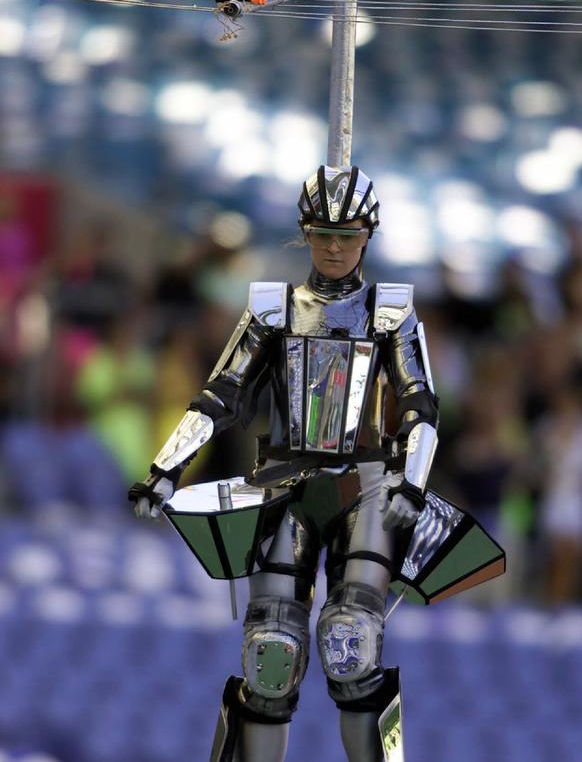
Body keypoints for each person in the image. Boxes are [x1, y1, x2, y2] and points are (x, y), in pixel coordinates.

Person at [129, 166, 440, 762]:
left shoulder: (390, 314)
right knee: (270, 657)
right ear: (304, 232)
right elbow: (221, 395)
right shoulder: (272, 310)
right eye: (321, 233)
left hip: (367, 488)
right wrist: (166, 469)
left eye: (345, 234)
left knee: (352, 645)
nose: (332, 246)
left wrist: (415, 485)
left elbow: (420, 408)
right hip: (283, 487)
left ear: (366, 236)